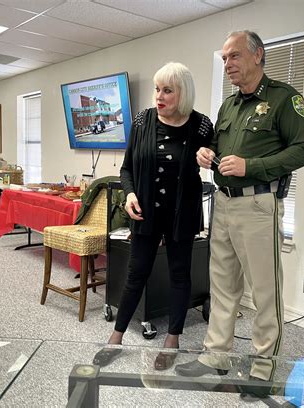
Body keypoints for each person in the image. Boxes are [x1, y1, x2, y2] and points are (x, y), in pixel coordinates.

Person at [175, 30, 304, 397]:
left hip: (258, 205)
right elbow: (217, 146)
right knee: (222, 285)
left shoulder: (284, 99)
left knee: (265, 291)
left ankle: (263, 368)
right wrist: (205, 153)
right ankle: (216, 356)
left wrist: (251, 166)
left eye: (234, 56)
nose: (227, 64)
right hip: (223, 202)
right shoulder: (229, 105)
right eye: (224, 59)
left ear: (257, 55)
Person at [93, 62, 214, 370]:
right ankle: (115, 339)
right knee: (136, 274)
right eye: (157, 89)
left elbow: (212, 161)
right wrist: (130, 194)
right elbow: (127, 169)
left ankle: (172, 341)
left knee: (179, 275)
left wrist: (210, 158)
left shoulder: (202, 126)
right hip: (145, 211)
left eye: (167, 90)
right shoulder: (142, 120)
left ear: (183, 93)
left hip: (181, 214)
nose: (159, 96)